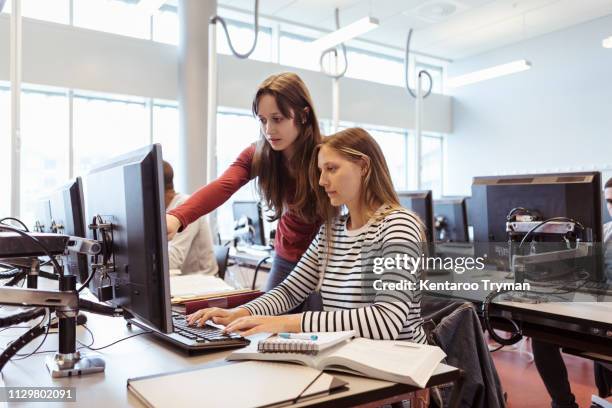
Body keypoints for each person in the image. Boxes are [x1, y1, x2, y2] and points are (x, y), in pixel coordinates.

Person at [186, 128, 428, 344]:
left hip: (400, 375)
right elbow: (290, 291)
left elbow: (386, 321)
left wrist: (285, 323)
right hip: (353, 363)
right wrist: (241, 313)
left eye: (331, 169)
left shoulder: (398, 226)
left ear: (364, 166)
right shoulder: (331, 231)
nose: (322, 181)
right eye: (321, 171)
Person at [166, 72, 329, 292]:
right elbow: (224, 185)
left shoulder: (327, 155)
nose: (269, 130)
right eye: (262, 120)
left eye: (277, 119)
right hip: (286, 257)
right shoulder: (260, 155)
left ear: (303, 115)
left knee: (318, 324)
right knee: (264, 320)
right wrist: (176, 217)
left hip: (324, 260)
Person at [531, 177, 612, 408]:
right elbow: (582, 272)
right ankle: (564, 404)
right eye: (609, 201)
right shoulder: (602, 232)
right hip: (599, 313)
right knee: (541, 334)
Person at [163, 160, 217, 276]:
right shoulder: (165, 210)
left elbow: (173, 260)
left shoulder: (185, 206)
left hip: (203, 281)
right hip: (184, 279)